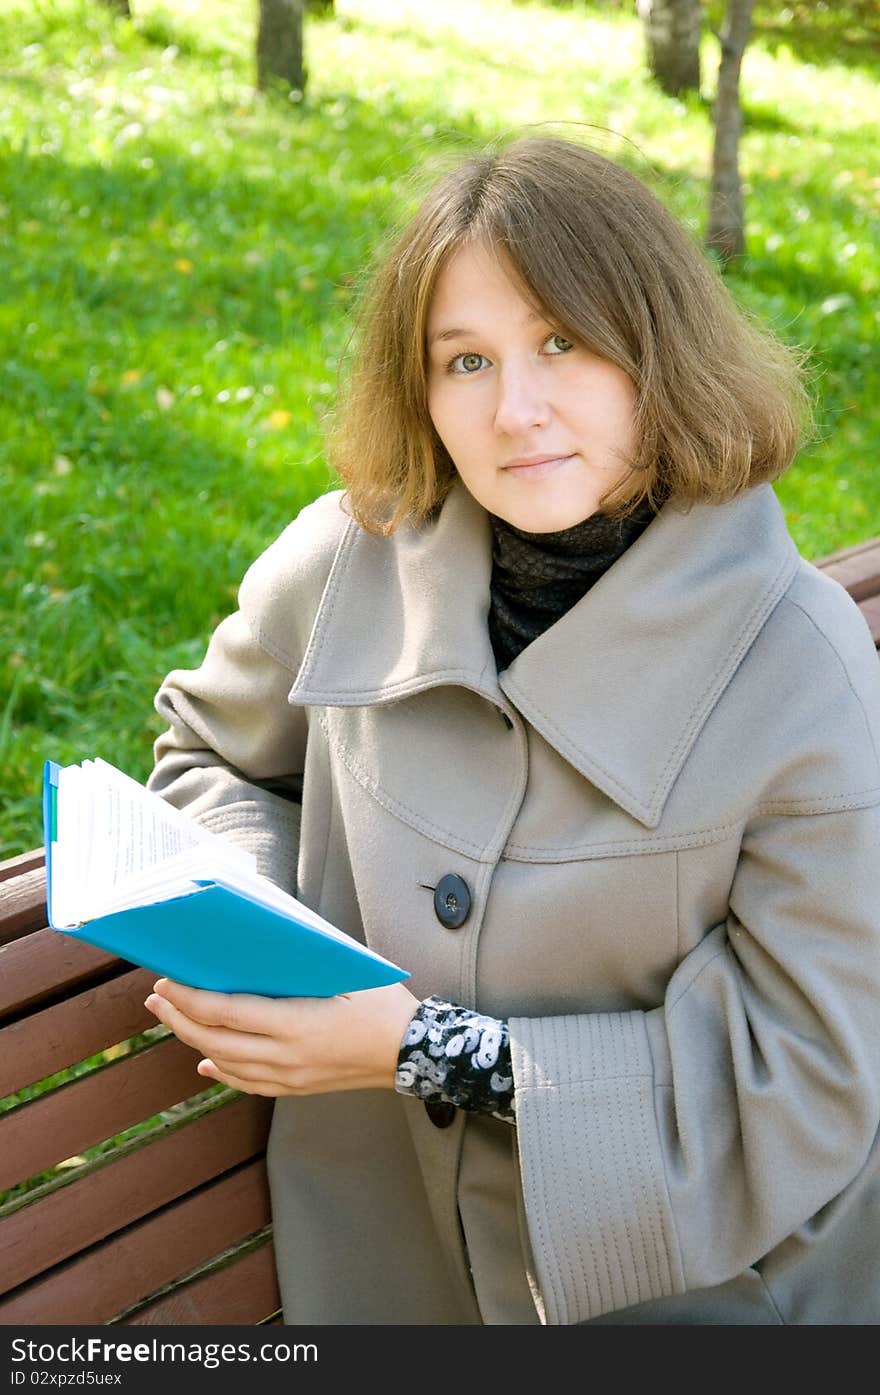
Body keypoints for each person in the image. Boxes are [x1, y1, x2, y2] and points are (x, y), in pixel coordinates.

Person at [143, 135, 880, 1325]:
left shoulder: (800, 670)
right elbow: (213, 749)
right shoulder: (347, 557)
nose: (515, 410)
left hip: (701, 1296)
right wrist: (259, 933)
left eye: (562, 343)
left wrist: (417, 1049)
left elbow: (802, 1081)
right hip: (376, 1270)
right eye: (465, 360)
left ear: (656, 350)